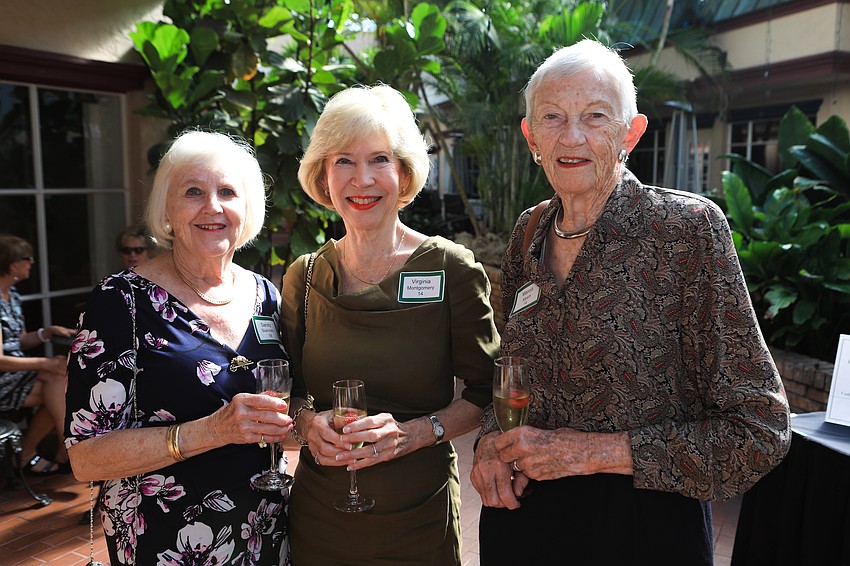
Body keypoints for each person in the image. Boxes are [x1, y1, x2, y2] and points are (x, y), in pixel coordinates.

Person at [470, 39, 792, 565]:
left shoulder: (687, 232)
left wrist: (596, 454)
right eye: (552, 117)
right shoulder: (528, 232)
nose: (571, 136)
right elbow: (510, 374)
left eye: (595, 116)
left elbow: (760, 429)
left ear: (631, 132)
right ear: (531, 136)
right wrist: (488, 441)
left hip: (642, 531)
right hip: (523, 521)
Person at [280, 84, 500, 565]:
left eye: (379, 159)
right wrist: (306, 423)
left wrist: (415, 434)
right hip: (322, 516)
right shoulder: (306, 275)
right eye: (343, 160)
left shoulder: (451, 268)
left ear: (403, 173)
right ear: (322, 174)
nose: (362, 179)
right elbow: (291, 390)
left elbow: (488, 392)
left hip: (417, 517)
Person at [65, 131, 292, 565]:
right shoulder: (120, 302)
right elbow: (85, 458)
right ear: (167, 210)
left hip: (266, 531)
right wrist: (211, 430)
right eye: (193, 192)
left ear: (247, 209)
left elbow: (284, 410)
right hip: (166, 541)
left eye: (228, 191)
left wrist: (314, 425)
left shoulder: (266, 294)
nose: (213, 206)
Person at [0, 234, 74, 474]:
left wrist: (47, 332)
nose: (32, 263)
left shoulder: (12, 297)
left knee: (57, 380)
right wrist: (44, 363)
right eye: (28, 259)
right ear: (13, 265)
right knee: (57, 377)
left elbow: (19, 340)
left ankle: (35, 451)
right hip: (4, 378)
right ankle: (68, 446)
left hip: (17, 373)